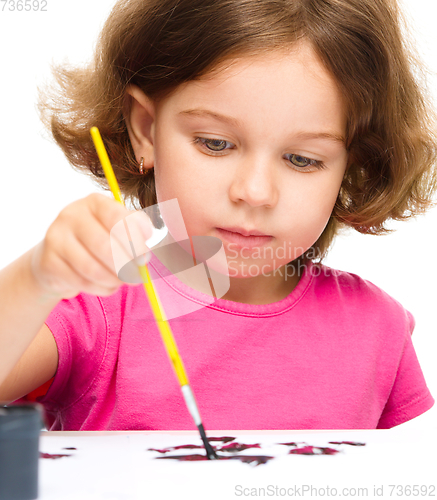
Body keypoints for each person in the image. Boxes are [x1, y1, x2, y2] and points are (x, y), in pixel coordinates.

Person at [0, 0, 436, 430]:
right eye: (215, 143)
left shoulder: (378, 328)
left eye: (302, 159)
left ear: (354, 165)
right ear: (146, 131)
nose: (254, 192)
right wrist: (38, 277)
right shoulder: (95, 308)